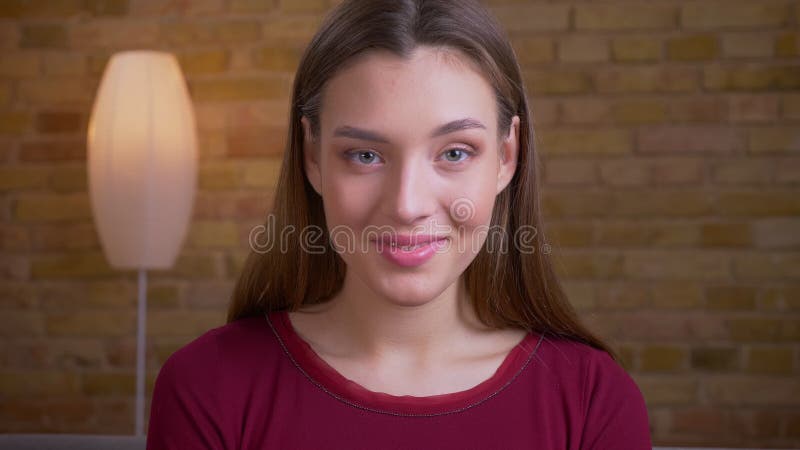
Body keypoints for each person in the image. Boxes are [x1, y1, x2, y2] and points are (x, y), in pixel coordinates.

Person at [146, 0, 652, 448]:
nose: (408, 205)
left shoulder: (591, 400)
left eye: (455, 152)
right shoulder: (208, 387)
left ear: (506, 155)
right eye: (365, 155)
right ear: (313, 156)